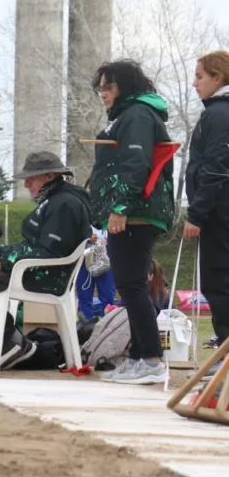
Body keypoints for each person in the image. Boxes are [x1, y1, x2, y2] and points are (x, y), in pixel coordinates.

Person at [0, 151, 92, 372]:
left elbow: (51, 254)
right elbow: (32, 245)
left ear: (50, 176)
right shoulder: (54, 201)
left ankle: (10, 343)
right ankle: (0, 344)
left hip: (48, 277)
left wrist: (3, 262)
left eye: (31, 178)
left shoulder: (65, 205)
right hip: (34, 271)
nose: (25, 184)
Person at [88, 59, 176, 385]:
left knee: (131, 284)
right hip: (134, 211)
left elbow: (136, 163)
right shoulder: (129, 116)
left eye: (108, 87)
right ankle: (140, 357)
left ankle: (151, 359)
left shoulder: (137, 115)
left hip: (136, 213)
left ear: (125, 86)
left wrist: (120, 207)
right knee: (131, 284)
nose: (103, 94)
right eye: (100, 88)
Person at [183, 49, 229, 367]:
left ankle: (224, 364)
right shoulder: (215, 112)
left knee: (219, 282)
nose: (194, 83)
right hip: (217, 211)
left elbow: (215, 167)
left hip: (218, 214)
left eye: (200, 77)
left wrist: (196, 213)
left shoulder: (219, 114)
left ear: (218, 78)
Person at [75, 225, 117, 322]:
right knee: (84, 299)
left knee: (108, 299)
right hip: (84, 262)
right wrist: (87, 239)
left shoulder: (109, 215)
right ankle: (86, 329)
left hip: (107, 262)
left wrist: (108, 241)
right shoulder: (81, 215)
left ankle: (107, 328)